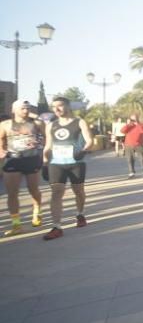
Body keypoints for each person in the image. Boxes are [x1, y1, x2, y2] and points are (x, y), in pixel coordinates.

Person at [41, 97, 94, 240]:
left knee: (79, 191)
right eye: (54, 107)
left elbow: (90, 140)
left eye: (60, 106)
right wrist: (45, 162)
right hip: (56, 163)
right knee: (56, 192)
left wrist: (83, 150)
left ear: (68, 106)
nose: (57, 109)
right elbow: (48, 146)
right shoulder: (51, 125)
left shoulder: (79, 122)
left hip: (75, 162)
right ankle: (56, 226)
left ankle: (80, 214)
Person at [0, 99, 45, 234]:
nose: (26, 111)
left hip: (31, 159)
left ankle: (37, 209)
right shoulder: (5, 125)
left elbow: (48, 135)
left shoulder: (36, 123)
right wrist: (1, 150)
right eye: (23, 108)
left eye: (28, 108)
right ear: (13, 110)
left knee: (33, 190)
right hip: (13, 160)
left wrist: (43, 148)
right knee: (12, 193)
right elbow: (0, 140)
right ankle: (16, 225)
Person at [121, 113, 143, 178]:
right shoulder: (129, 126)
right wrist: (128, 124)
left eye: (135, 118)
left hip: (139, 144)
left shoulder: (141, 125)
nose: (133, 120)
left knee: (142, 159)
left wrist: (137, 124)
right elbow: (122, 131)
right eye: (132, 119)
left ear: (137, 118)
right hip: (128, 144)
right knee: (130, 159)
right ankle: (131, 173)